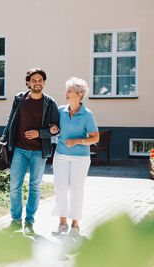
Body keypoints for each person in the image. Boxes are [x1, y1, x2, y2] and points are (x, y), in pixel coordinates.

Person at [2, 67, 59, 234]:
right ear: (28, 83)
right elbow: (10, 120)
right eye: (34, 80)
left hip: (39, 151)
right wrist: (4, 139)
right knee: (14, 186)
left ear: (44, 82)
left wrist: (39, 133)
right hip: (19, 149)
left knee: (34, 186)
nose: (37, 83)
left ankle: (29, 222)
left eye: (40, 80)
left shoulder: (50, 103)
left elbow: (56, 128)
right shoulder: (19, 99)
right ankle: (15, 220)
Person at [51, 77, 99, 235]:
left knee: (77, 190)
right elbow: (53, 126)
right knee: (60, 188)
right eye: (66, 90)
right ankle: (62, 222)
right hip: (60, 156)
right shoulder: (60, 111)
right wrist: (52, 128)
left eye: (69, 91)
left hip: (80, 158)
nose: (66, 93)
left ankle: (75, 223)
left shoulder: (87, 115)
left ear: (79, 95)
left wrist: (78, 140)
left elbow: (95, 137)